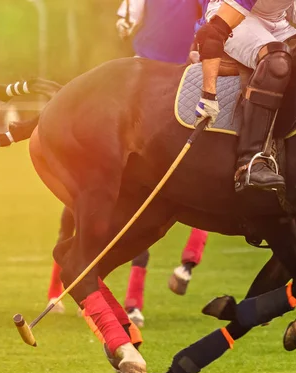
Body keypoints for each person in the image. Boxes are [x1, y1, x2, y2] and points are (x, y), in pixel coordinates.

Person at [46, 0, 210, 328]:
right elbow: (130, 11)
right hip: (142, 75)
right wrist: (126, 20)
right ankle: (69, 289)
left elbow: (211, 18)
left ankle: (172, 274)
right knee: (93, 193)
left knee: (207, 164)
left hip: (180, 79)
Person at [194, 0, 296, 192]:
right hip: (234, 14)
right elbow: (213, 34)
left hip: (275, 21)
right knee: (276, 62)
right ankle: (250, 162)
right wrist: (208, 95)